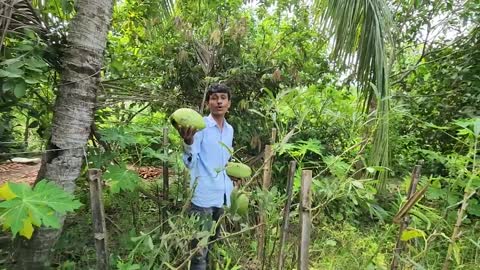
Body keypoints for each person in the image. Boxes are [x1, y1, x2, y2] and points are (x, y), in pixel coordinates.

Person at [173, 83, 236, 270]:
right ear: (208, 102)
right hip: (203, 198)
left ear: (229, 103)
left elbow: (224, 161)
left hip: (222, 196)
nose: (219, 102)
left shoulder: (230, 130)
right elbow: (190, 162)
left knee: (213, 247)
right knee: (199, 254)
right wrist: (188, 141)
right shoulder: (198, 127)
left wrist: (233, 174)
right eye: (214, 98)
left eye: (223, 98)